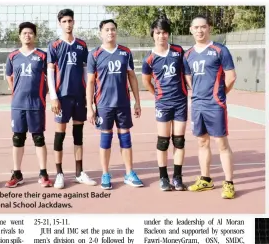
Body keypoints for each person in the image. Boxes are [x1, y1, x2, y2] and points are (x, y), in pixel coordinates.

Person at [183, 15, 237, 199]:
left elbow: (231, 77)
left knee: (221, 143)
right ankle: (206, 179)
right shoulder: (188, 54)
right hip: (197, 105)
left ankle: (229, 183)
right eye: (196, 27)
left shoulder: (220, 50)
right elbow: (189, 79)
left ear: (209, 28)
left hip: (215, 105)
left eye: (203, 27)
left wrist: (219, 97)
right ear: (191, 30)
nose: (200, 30)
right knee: (202, 142)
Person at [86, 19, 143, 190]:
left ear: (116, 32)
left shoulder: (125, 52)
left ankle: (129, 173)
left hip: (123, 104)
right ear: (101, 33)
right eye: (107, 30)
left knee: (125, 138)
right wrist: (90, 107)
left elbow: (132, 77)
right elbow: (90, 82)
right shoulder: (94, 54)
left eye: (113, 29)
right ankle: (105, 173)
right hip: (103, 105)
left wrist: (137, 102)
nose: (110, 32)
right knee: (106, 139)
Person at [47, 9, 96, 189]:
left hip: (78, 96)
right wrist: (53, 97)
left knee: (78, 135)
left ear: (74, 22)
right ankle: (59, 173)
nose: (68, 24)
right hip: (62, 97)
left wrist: (87, 97)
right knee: (59, 135)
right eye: (64, 21)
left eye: (70, 21)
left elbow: (85, 71)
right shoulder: (54, 46)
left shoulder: (82, 45)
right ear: (60, 23)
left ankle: (79, 172)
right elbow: (50, 72)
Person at [142, 17, 188, 191]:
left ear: (168, 34)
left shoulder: (178, 51)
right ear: (153, 34)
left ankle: (177, 177)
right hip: (163, 104)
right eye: (158, 32)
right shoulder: (149, 58)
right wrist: (158, 96)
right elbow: (146, 82)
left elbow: (186, 74)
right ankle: (163, 178)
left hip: (180, 102)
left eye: (165, 32)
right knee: (163, 142)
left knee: (179, 141)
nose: (161, 36)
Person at [4, 22, 52, 188]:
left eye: (30, 33)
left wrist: (43, 92)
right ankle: (17, 173)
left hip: (36, 104)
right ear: (19, 36)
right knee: (18, 138)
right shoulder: (12, 56)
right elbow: (9, 77)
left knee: (38, 138)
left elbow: (50, 78)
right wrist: (16, 91)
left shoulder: (42, 56)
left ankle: (43, 173)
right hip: (18, 105)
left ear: (35, 35)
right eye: (24, 33)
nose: (27, 35)